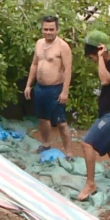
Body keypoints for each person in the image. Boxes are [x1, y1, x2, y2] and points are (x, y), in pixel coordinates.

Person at [77, 31, 110, 202]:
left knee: (86, 143)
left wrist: (100, 58)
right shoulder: (107, 63)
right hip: (106, 114)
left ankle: (90, 183)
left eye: (92, 56)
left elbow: (105, 80)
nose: (92, 60)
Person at [24, 15, 73, 155]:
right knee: (42, 119)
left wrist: (65, 92)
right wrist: (28, 85)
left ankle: (68, 152)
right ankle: (45, 144)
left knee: (61, 122)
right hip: (40, 88)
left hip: (55, 89)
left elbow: (68, 70)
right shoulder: (39, 43)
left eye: (51, 29)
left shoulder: (63, 46)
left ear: (57, 29)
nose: (48, 32)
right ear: (42, 29)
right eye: (45, 29)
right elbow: (34, 64)